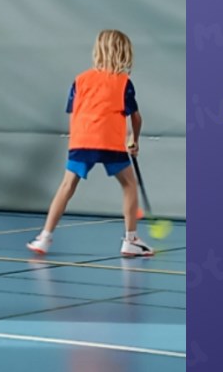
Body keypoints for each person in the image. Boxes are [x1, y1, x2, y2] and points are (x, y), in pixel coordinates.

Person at [27, 30, 154, 258]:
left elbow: (73, 112)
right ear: (124, 53)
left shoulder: (80, 80)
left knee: (66, 187)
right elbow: (136, 118)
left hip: (81, 142)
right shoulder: (124, 82)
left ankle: (44, 237)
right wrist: (134, 140)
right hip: (110, 143)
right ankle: (131, 240)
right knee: (129, 185)